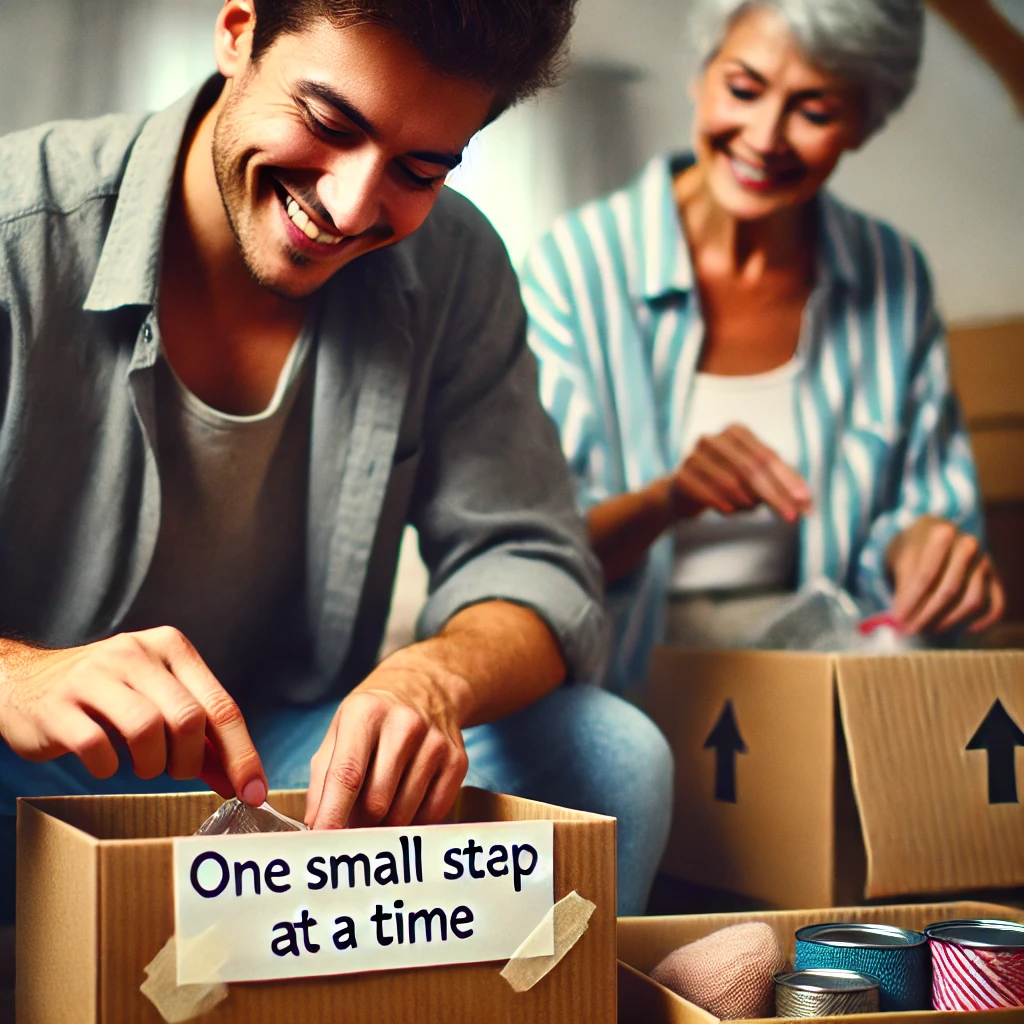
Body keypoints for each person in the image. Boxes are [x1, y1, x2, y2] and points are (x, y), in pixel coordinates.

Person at [0, 0, 672, 917]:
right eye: (329, 124)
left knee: (607, 755)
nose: (350, 208)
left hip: (281, 768)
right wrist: (20, 673)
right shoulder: (16, 229)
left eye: (418, 169)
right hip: (19, 766)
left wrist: (429, 679)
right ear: (239, 31)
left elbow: (533, 563)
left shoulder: (458, 268)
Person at [521, 0, 1005, 693]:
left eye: (815, 111)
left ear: (864, 124)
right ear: (702, 73)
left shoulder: (893, 274)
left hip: (824, 660)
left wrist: (919, 545)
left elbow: (930, 507)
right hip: (623, 662)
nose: (765, 136)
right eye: (743, 90)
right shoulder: (576, 268)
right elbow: (535, 550)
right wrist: (669, 498)